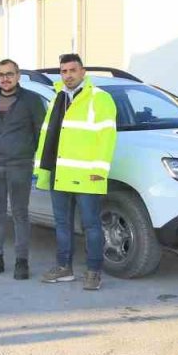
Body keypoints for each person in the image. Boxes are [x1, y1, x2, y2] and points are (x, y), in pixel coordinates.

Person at [36, 54, 118, 291]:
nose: (68, 75)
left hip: (87, 174)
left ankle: (93, 272)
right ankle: (64, 268)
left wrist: (100, 170)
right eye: (64, 71)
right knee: (62, 224)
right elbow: (47, 136)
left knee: (91, 225)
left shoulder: (100, 98)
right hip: (59, 173)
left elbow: (107, 137)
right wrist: (41, 169)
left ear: (83, 72)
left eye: (73, 70)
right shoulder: (58, 98)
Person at [0, 59, 47, 280]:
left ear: (18, 75)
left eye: (9, 74)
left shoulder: (31, 100)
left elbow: (41, 132)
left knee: (20, 214)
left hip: (19, 165)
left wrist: (27, 153)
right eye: (1, 75)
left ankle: (21, 262)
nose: (5, 78)